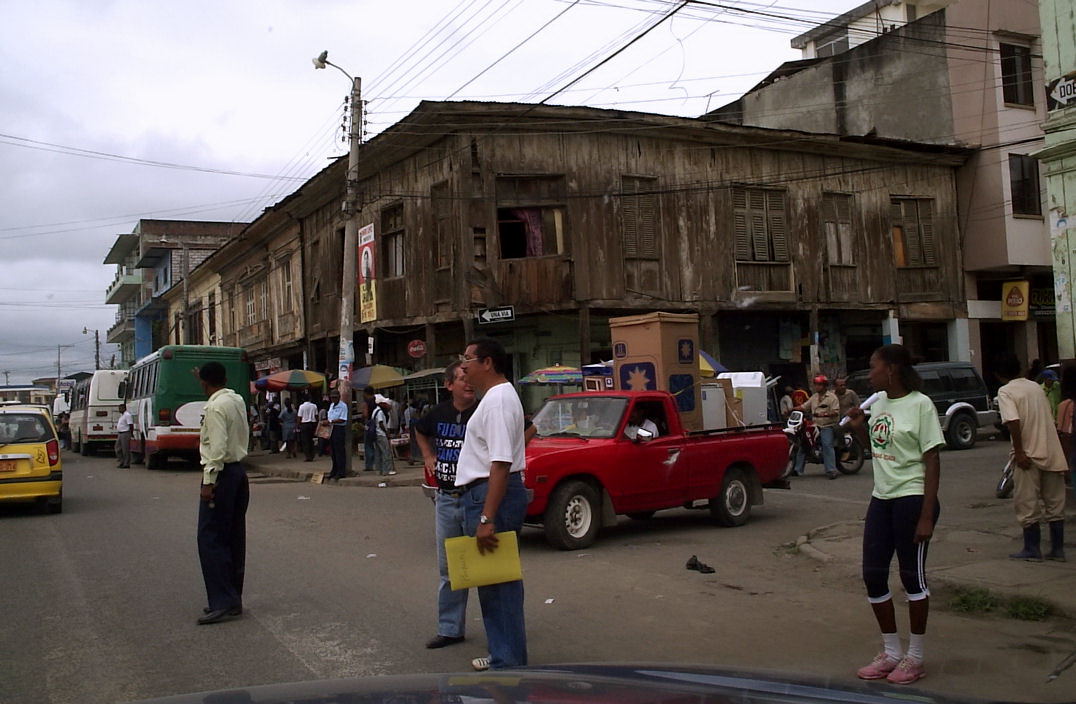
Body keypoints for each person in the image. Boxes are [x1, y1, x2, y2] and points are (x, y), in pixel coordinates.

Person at [845, 344, 942, 685]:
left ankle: (914, 657)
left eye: (873, 367)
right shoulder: (880, 404)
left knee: (911, 578)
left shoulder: (920, 405)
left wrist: (927, 514)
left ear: (892, 369)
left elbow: (932, 461)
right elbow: (878, 451)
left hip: (912, 499)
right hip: (882, 498)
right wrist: (859, 427)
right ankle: (891, 651)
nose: (868, 373)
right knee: (873, 574)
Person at [455, 338, 529, 671]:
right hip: (485, 492)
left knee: (499, 585)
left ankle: (508, 662)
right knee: (492, 582)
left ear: (487, 363)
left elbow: (500, 462)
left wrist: (487, 517)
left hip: (490, 494)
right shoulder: (495, 399)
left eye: (467, 359)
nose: (463, 366)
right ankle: (503, 653)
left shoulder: (498, 400)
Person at [414, 361, 478, 650]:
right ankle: (450, 629)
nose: (468, 382)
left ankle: (500, 631)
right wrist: (428, 454)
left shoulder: (486, 410)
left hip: (477, 497)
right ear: (449, 385)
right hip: (446, 499)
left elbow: (527, 429)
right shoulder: (437, 413)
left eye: (470, 377)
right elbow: (420, 430)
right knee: (449, 569)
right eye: (462, 378)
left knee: (489, 570)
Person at [995, 354, 1067, 562]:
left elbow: (1013, 422)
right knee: (1055, 504)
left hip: (1029, 454)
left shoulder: (1006, 391)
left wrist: (1019, 452)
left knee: (1027, 503)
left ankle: (1032, 548)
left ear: (999, 375)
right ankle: (1057, 549)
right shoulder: (1036, 387)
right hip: (1051, 450)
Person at [195, 361, 250, 625]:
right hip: (238, 473)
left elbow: (216, 448)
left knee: (210, 539)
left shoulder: (215, 407)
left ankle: (222, 601)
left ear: (205, 383)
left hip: (222, 475)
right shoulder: (235, 400)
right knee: (233, 538)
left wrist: (208, 482)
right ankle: (232, 598)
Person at [792, 374, 841, 479]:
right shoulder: (814, 397)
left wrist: (824, 414)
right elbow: (804, 407)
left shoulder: (832, 398)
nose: (817, 387)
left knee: (827, 445)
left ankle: (831, 470)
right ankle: (798, 469)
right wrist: (792, 409)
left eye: (819, 385)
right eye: (816, 385)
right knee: (804, 443)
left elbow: (835, 412)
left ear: (825, 386)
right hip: (815, 425)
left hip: (827, 425)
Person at [325, 390, 349, 481]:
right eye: (332, 397)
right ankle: (334, 470)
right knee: (333, 452)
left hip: (339, 429)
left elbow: (343, 419)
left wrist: (330, 421)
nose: (333, 399)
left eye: (335, 397)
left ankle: (341, 472)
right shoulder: (331, 405)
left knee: (339, 451)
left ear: (339, 397)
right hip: (331, 429)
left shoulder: (343, 406)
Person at [371, 394, 397, 476]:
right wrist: (386, 432)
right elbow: (381, 423)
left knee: (379, 453)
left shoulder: (374, 411)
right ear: (380, 403)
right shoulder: (380, 412)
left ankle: (380, 470)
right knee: (386, 452)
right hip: (381, 434)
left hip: (376, 434)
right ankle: (388, 470)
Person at [297, 394, 318, 462]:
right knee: (311, 440)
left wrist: (298, 425)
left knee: (305, 441)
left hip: (304, 424)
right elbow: (316, 416)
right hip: (312, 424)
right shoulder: (314, 406)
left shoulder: (301, 407)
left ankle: (308, 456)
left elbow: (299, 417)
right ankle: (312, 454)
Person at [362, 386, 377, 471]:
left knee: (368, 445)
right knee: (375, 444)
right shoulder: (376, 400)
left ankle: (369, 465)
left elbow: (365, 414)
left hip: (369, 425)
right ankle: (376, 463)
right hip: (377, 423)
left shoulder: (366, 402)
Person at [116, 403, 133, 468]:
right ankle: (121, 461)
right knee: (118, 448)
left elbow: (130, 425)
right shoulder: (122, 415)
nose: (119, 410)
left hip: (125, 433)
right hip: (120, 433)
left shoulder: (127, 415)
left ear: (124, 408)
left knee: (125, 449)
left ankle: (126, 464)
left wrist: (131, 433)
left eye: (120, 408)